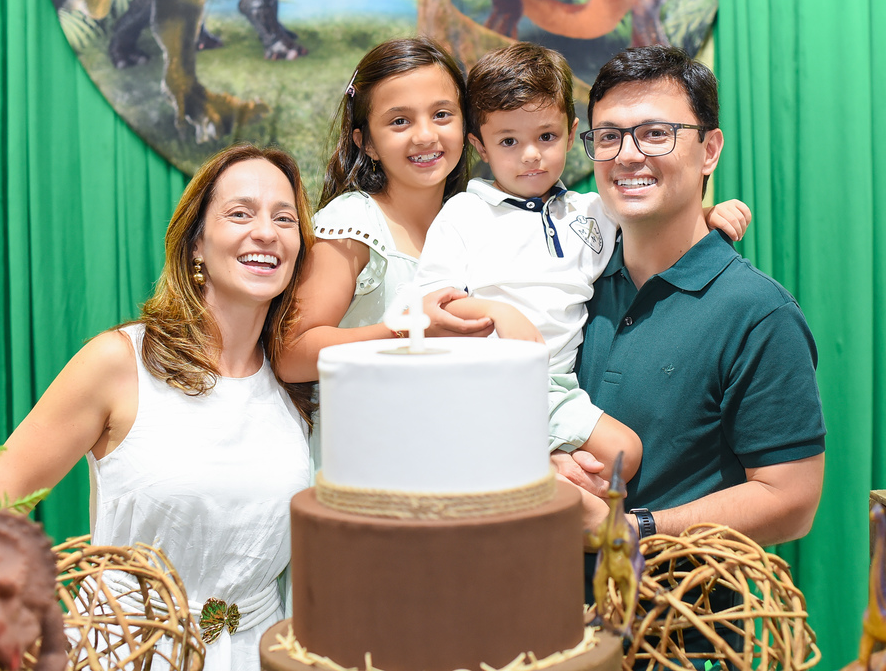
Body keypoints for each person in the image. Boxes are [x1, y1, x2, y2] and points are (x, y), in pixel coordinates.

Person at [0, 144, 315, 671]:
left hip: (258, 651)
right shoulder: (119, 362)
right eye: (240, 213)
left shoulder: (296, 386)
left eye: (284, 218)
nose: (266, 233)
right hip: (129, 650)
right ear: (196, 243)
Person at [411, 42, 751, 481]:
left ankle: (532, 467)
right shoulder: (464, 213)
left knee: (620, 456)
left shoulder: (592, 211)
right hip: (482, 376)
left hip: (553, 386)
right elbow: (430, 304)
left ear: (571, 135)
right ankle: (511, 460)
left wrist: (707, 213)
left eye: (546, 137)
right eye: (509, 141)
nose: (530, 154)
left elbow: (654, 216)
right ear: (480, 145)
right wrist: (497, 312)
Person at [574, 44, 826, 545]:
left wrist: (629, 530)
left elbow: (790, 501)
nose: (628, 155)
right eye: (609, 136)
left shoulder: (758, 313)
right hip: (542, 590)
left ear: (709, 149)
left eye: (655, 134)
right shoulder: (569, 283)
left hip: (680, 595)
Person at [274, 36, 529, 385]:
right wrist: (406, 330)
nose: (425, 136)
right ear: (367, 143)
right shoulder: (353, 224)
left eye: (441, 115)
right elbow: (290, 356)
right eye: (399, 121)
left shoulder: (476, 220)